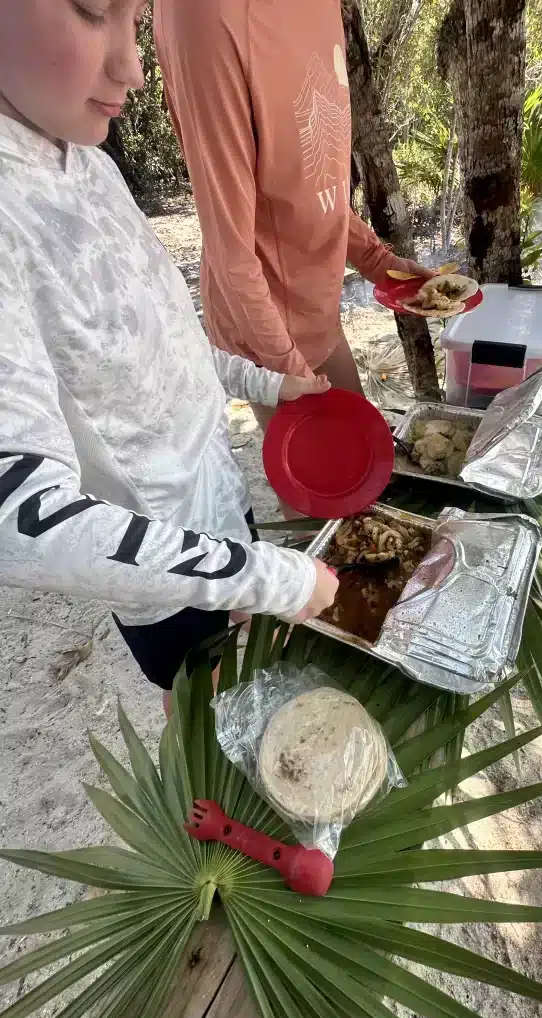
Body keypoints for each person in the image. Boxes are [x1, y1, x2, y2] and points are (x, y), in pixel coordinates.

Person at [0, 0, 339, 701]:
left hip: (218, 505)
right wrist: (269, 576)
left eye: (136, 17)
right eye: (95, 11)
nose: (134, 68)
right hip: (157, 560)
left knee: (252, 695)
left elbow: (158, 345)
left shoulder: (91, 161)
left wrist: (262, 381)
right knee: (204, 720)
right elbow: (21, 516)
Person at [153, 0, 435, 434]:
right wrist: (288, 372)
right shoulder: (203, 16)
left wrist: (381, 264)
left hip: (318, 306)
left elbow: (311, 183)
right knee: (326, 495)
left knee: (364, 479)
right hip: (266, 320)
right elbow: (232, 248)